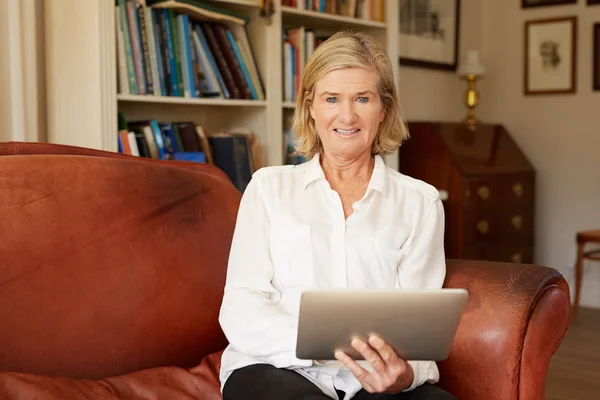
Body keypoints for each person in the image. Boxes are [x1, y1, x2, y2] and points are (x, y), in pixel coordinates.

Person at [218, 30, 455, 400]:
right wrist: (323, 346)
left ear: (384, 110)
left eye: (362, 98)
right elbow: (240, 305)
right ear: (310, 107)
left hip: (371, 378)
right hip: (272, 365)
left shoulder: (420, 203)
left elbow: (419, 323)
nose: (347, 115)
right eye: (332, 99)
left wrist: (404, 374)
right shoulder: (268, 189)